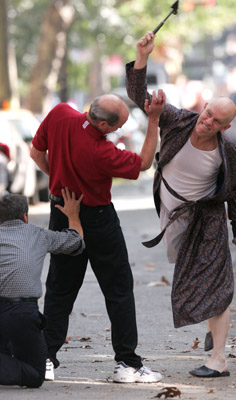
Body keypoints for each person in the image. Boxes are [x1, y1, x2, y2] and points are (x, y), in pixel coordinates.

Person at [126, 32, 236, 378]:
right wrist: (142, 57)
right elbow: (140, 97)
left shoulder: (230, 156)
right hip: (174, 217)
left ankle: (219, 360)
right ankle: (215, 328)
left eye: (215, 121)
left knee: (217, 284)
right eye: (207, 113)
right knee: (195, 282)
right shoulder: (179, 120)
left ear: (226, 127)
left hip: (206, 219)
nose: (206, 121)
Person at [30, 92, 165, 383]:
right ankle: (127, 363)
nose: (118, 132)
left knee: (59, 289)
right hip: (98, 218)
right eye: (117, 127)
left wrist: (60, 181)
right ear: (104, 126)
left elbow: (35, 153)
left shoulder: (59, 113)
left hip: (61, 209)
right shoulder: (101, 152)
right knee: (118, 290)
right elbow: (143, 163)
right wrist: (153, 119)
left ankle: (45, 358)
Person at [0, 188, 84, 388]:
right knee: (36, 374)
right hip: (21, 314)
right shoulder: (37, 235)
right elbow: (76, 241)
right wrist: (73, 215)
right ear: (25, 217)